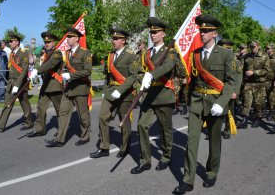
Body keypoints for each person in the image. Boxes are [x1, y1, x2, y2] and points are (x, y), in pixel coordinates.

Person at [173, 14, 236, 194]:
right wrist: (187, 100)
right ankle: (188, 179)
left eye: (207, 31)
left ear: (215, 33)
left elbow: (231, 81)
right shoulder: (195, 54)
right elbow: (193, 81)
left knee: (214, 142)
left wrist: (222, 102)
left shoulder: (226, 54)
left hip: (216, 103)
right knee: (191, 141)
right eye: (201, 30)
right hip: (197, 103)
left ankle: (211, 172)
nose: (203, 33)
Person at [130, 17, 180, 174]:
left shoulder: (171, 51)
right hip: (149, 96)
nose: (152, 35)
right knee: (141, 125)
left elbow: (167, 66)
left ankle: (166, 156)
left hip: (164, 95)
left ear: (163, 34)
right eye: (151, 32)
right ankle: (145, 160)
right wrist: (140, 82)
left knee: (165, 129)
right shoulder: (145, 53)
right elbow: (137, 70)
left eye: (156, 32)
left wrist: (151, 75)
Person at [89, 26, 139, 159]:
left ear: (124, 40)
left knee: (124, 120)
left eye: (117, 39)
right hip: (111, 91)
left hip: (125, 92)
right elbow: (108, 75)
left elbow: (133, 76)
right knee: (102, 117)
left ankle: (125, 146)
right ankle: (104, 147)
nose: (114, 41)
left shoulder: (130, 55)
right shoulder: (110, 55)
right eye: (113, 38)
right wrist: (105, 90)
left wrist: (120, 90)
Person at [45, 26, 92, 147]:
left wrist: (71, 75)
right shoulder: (66, 53)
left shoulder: (84, 52)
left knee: (83, 115)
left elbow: (88, 71)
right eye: (67, 37)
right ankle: (60, 139)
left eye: (70, 37)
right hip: (69, 88)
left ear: (77, 38)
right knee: (63, 112)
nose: (67, 39)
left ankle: (85, 135)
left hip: (80, 88)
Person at [0, 32, 33, 132]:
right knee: (7, 103)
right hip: (11, 83)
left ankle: (29, 122)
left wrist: (17, 85)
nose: (9, 43)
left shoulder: (23, 53)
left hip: (21, 83)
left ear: (17, 42)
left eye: (11, 41)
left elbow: (24, 70)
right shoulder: (12, 54)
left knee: (25, 104)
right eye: (9, 41)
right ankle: (0, 125)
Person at [27, 31, 63, 138]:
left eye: (49, 42)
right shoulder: (45, 54)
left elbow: (50, 64)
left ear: (53, 42)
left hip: (55, 86)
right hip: (45, 85)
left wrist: (37, 71)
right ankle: (39, 129)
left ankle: (61, 130)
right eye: (45, 42)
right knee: (40, 108)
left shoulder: (57, 53)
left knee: (59, 110)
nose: (47, 44)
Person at [237, 40, 270, 129]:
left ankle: (258, 118)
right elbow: (242, 68)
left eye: (253, 47)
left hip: (259, 83)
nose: (252, 48)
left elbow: (266, 70)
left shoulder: (264, 56)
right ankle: (244, 120)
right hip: (248, 83)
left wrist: (254, 72)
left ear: (258, 46)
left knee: (258, 103)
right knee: (247, 102)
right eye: (250, 47)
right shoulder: (247, 56)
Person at [217, 39, 242, 139]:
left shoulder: (236, 62)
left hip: (230, 91)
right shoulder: (215, 60)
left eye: (228, 49)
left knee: (229, 111)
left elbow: (238, 77)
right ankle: (214, 131)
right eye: (224, 48)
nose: (226, 51)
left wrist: (235, 91)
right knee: (215, 111)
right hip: (216, 90)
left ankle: (227, 129)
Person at [264, 43, 275, 121]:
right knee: (264, 97)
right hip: (264, 80)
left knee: (272, 97)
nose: (267, 50)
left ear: (273, 49)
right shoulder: (265, 57)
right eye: (266, 48)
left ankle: (272, 112)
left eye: (268, 48)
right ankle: (267, 111)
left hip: (272, 80)